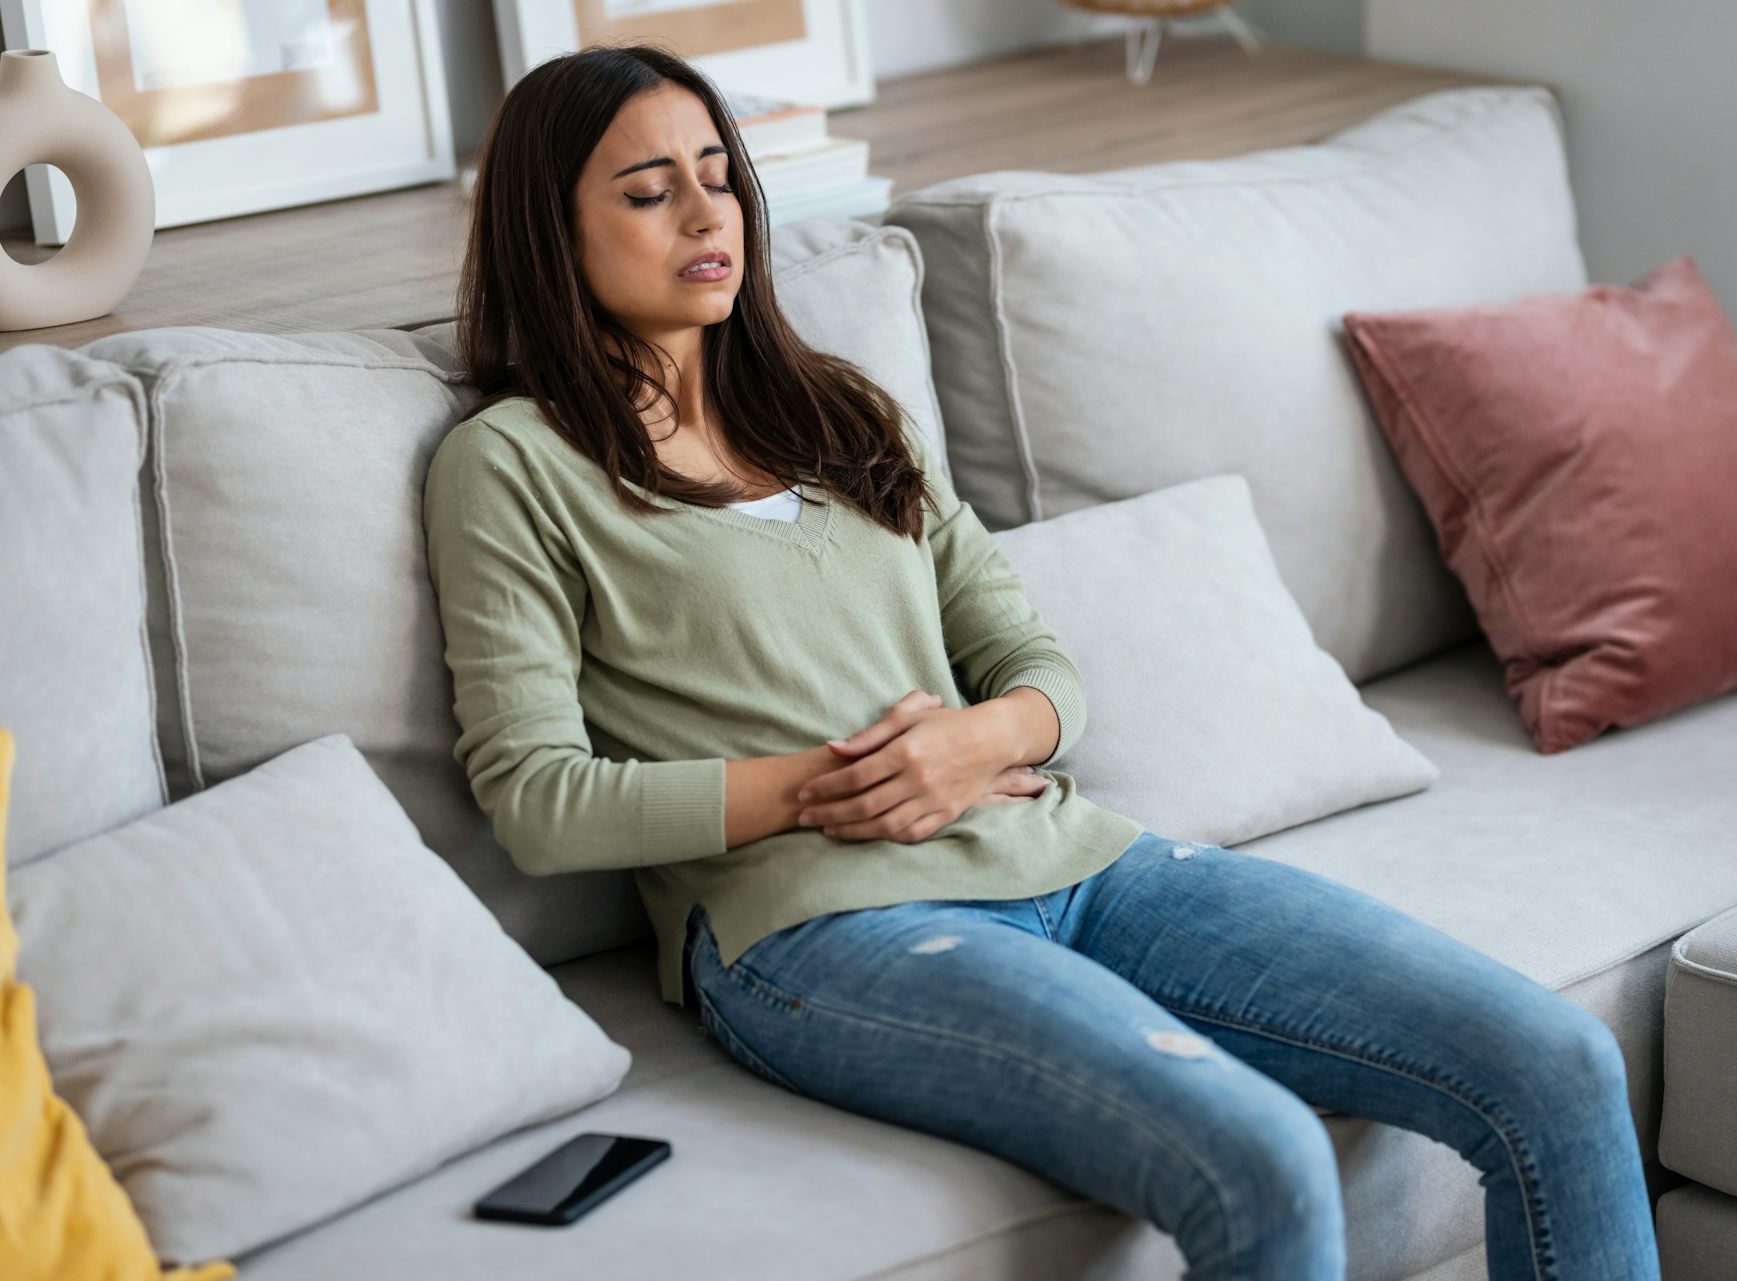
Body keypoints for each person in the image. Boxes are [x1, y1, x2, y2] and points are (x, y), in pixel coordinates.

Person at [421, 41, 1662, 1281]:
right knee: (1264, 1157)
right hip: (815, 932)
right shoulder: (513, 466)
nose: (708, 215)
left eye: (720, 177)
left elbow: (1035, 663)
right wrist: (831, 785)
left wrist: (984, 738)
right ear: (551, 231)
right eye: (649, 192)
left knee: (1556, 1061)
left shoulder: (844, 412)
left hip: (1072, 859)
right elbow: (537, 802)